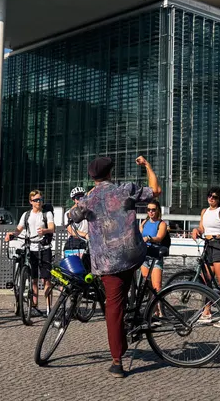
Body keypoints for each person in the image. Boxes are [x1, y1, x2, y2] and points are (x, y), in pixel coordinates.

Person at [66, 156, 161, 378]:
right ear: (110, 173)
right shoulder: (125, 190)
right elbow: (155, 190)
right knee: (127, 285)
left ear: (92, 177)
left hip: (108, 263)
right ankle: (136, 312)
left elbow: (71, 216)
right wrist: (147, 166)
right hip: (133, 255)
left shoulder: (88, 200)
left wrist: (80, 203)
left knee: (113, 307)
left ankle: (117, 360)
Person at [6, 190, 55, 317]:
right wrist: (12, 234)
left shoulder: (47, 214)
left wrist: (45, 231)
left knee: (46, 280)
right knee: (33, 280)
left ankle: (49, 308)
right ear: (31, 202)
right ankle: (34, 306)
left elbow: (52, 228)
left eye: (40, 199)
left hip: (44, 248)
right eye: (36, 200)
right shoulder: (26, 215)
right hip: (31, 248)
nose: (39, 202)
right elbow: (18, 229)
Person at [191, 186, 220, 327]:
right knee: (206, 280)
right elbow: (203, 228)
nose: (211, 198)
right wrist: (197, 230)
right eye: (209, 195)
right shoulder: (204, 211)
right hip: (208, 245)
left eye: (214, 196)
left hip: (219, 245)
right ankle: (207, 312)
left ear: (219, 199)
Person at [139, 202, 168, 318]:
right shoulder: (144, 222)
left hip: (155, 256)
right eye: (148, 209)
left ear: (158, 211)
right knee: (148, 284)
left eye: (153, 210)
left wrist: (150, 238)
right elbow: (140, 236)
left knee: (157, 286)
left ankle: (159, 310)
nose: (151, 212)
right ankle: (153, 310)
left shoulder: (161, 224)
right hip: (145, 256)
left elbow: (160, 237)